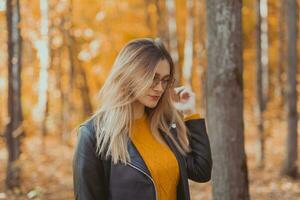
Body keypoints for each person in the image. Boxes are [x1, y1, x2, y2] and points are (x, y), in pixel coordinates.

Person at [73, 38, 212, 200]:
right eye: (153, 77)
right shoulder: (93, 134)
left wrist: (190, 113)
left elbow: (201, 171)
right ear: (129, 74)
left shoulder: (164, 126)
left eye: (165, 80)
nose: (160, 87)